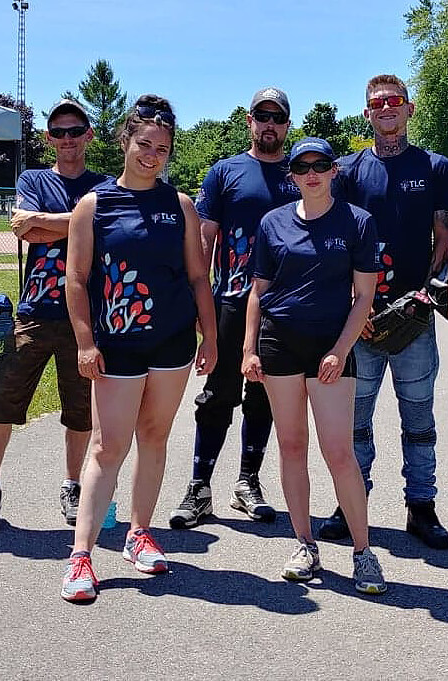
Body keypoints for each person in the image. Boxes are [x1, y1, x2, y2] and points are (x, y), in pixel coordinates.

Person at [59, 95, 217, 603]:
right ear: (125, 143)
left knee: (154, 436)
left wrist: (209, 337)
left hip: (171, 345)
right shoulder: (95, 204)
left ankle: (138, 533)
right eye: (144, 144)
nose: (152, 155)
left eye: (163, 148)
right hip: (117, 345)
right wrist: (85, 342)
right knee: (108, 446)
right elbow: (76, 279)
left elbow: (198, 276)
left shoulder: (181, 206)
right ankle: (81, 555)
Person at [316, 74, 448, 550]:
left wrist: (423, 292)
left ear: (409, 108)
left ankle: (422, 507)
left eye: (394, 101)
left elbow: (446, 235)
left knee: (419, 417)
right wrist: (360, 302)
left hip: (414, 314)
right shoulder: (350, 170)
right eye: (377, 103)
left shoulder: (435, 166)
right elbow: (337, 237)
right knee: (356, 419)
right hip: (361, 317)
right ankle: (350, 504)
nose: (386, 109)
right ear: (367, 113)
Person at [242, 137, 387, 595]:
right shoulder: (272, 223)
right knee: (291, 447)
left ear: (333, 170)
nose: (311, 173)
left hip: (330, 347)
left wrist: (341, 350)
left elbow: (364, 296)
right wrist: (249, 350)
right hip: (279, 344)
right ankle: (304, 543)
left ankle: (363, 551)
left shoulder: (357, 222)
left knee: (339, 452)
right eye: (302, 166)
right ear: (292, 175)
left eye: (320, 164)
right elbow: (258, 292)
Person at [0, 99, 109, 533]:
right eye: (59, 132)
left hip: (85, 317)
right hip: (34, 310)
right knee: (2, 398)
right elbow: (21, 227)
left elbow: (41, 227)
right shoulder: (33, 178)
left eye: (75, 131)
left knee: (81, 408)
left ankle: (72, 485)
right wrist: (81, 222)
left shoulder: (104, 186)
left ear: (88, 135)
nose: (67, 139)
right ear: (48, 137)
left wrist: (46, 223)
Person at [168, 87, 298, 529]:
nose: (269, 125)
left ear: (286, 124)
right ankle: (199, 487)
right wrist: (197, 304)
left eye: (277, 118)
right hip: (230, 300)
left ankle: (248, 481)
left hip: (282, 308)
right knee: (218, 394)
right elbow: (204, 240)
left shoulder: (299, 173)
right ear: (249, 120)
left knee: (261, 393)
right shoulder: (225, 172)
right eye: (262, 116)